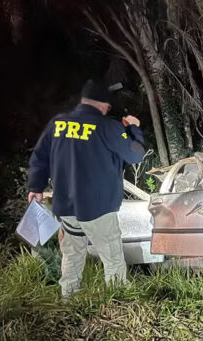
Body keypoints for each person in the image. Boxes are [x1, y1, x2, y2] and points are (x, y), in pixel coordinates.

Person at [27, 79, 146, 298]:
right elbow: (135, 154)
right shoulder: (107, 127)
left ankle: (69, 299)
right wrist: (134, 128)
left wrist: (36, 186)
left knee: (72, 255)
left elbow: (40, 157)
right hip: (98, 208)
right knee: (112, 256)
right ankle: (117, 300)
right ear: (104, 105)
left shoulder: (58, 124)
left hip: (67, 207)